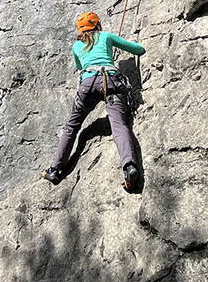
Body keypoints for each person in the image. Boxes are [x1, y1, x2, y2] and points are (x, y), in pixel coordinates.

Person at [42, 12, 146, 190]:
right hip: (111, 80)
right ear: (97, 25)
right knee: (119, 125)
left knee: (71, 126)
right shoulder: (105, 36)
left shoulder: (77, 46)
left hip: (88, 84)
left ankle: (55, 169)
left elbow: (80, 66)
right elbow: (138, 49)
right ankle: (129, 166)